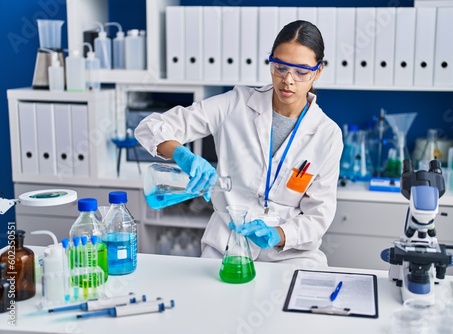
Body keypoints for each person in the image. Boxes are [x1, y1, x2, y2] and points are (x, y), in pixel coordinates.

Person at [134, 20, 343, 267]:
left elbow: (318, 215)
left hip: (292, 254)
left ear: (318, 71)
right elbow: (149, 127)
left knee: (291, 303)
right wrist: (182, 155)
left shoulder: (327, 134)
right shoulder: (235, 104)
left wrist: (279, 234)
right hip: (227, 246)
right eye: (280, 67)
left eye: (301, 72)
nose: (288, 80)